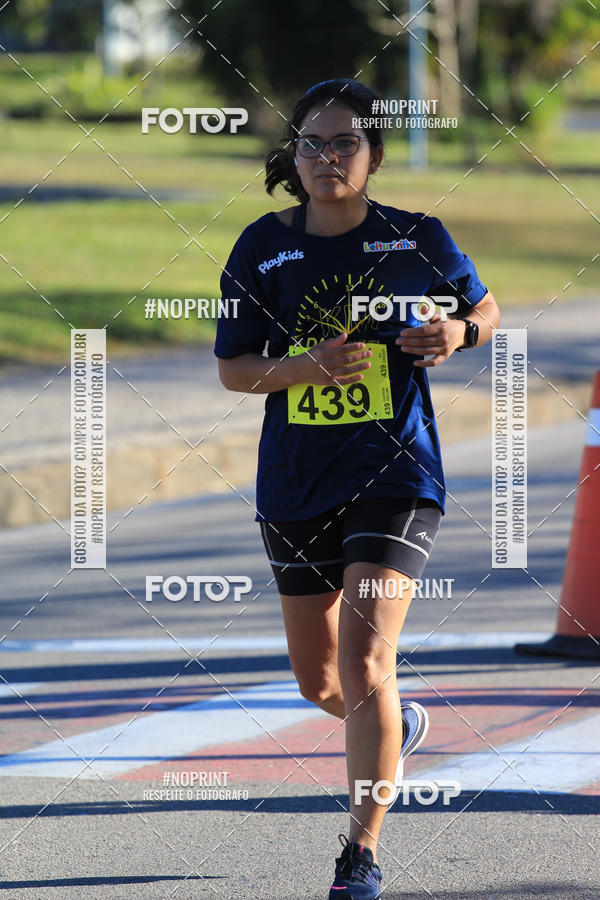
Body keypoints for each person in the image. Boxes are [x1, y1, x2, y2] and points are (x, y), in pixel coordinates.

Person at [214, 78, 500, 900]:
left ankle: (360, 853)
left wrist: (459, 332)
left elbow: (484, 309)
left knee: (369, 655)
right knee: (321, 681)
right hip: (296, 481)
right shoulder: (260, 248)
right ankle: (394, 726)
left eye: (345, 143)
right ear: (292, 153)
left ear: (372, 156)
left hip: (397, 473)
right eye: (312, 142)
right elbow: (234, 369)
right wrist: (303, 368)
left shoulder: (417, 238)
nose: (326, 156)